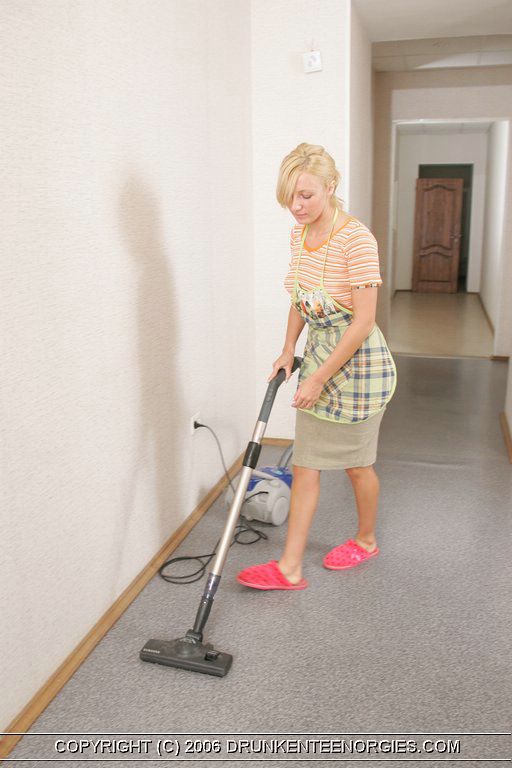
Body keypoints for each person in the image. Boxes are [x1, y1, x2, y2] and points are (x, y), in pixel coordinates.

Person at [236, 142, 397, 591]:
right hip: (320, 358)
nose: (296, 206)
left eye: (305, 195)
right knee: (306, 464)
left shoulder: (356, 239)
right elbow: (300, 298)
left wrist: (319, 378)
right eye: (289, 196)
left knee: (357, 465)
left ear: (331, 186)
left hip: (359, 367)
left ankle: (366, 540)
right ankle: (290, 567)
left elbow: (363, 321)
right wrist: (288, 348)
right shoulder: (300, 235)